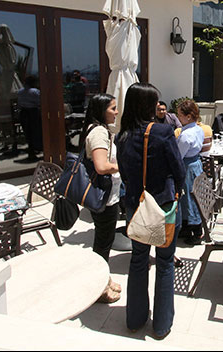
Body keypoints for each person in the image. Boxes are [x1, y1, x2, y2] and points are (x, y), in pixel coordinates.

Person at [116, 83, 186, 338]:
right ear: (147, 105)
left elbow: (124, 175)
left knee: (138, 261)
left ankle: (134, 319)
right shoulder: (163, 132)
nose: (159, 106)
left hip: (137, 208)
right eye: (156, 102)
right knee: (165, 263)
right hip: (164, 206)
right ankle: (161, 325)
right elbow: (179, 170)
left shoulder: (121, 136)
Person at [79, 93, 123, 304]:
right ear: (101, 110)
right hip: (104, 197)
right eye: (112, 108)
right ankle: (99, 288)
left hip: (107, 194)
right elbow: (102, 166)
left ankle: (104, 278)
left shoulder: (99, 130)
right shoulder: (98, 133)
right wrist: (125, 166)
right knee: (103, 243)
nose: (116, 112)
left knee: (104, 240)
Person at [175, 99, 205, 246]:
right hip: (195, 164)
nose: (178, 118)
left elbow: (178, 155)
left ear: (188, 116)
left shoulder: (186, 135)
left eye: (180, 115)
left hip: (187, 166)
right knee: (190, 198)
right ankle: (187, 227)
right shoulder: (198, 129)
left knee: (189, 198)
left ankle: (197, 231)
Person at [17, 75, 42, 161]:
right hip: (33, 113)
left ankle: (31, 150)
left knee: (28, 133)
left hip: (24, 113)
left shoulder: (20, 92)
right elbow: (40, 102)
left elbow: (19, 103)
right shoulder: (35, 92)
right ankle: (38, 148)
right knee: (37, 131)